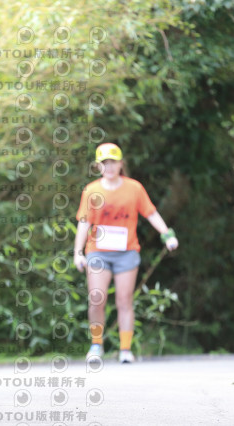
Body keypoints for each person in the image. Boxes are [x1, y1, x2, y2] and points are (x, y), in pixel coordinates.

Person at [73, 143, 178, 363]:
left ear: (121, 164)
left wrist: (167, 235)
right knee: (96, 299)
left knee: (124, 300)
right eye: (104, 163)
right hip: (98, 252)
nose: (109, 167)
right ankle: (96, 345)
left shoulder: (134, 189)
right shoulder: (91, 190)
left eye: (113, 162)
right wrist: (78, 252)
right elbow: (84, 222)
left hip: (126, 252)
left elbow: (151, 213)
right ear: (98, 166)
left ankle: (125, 349)